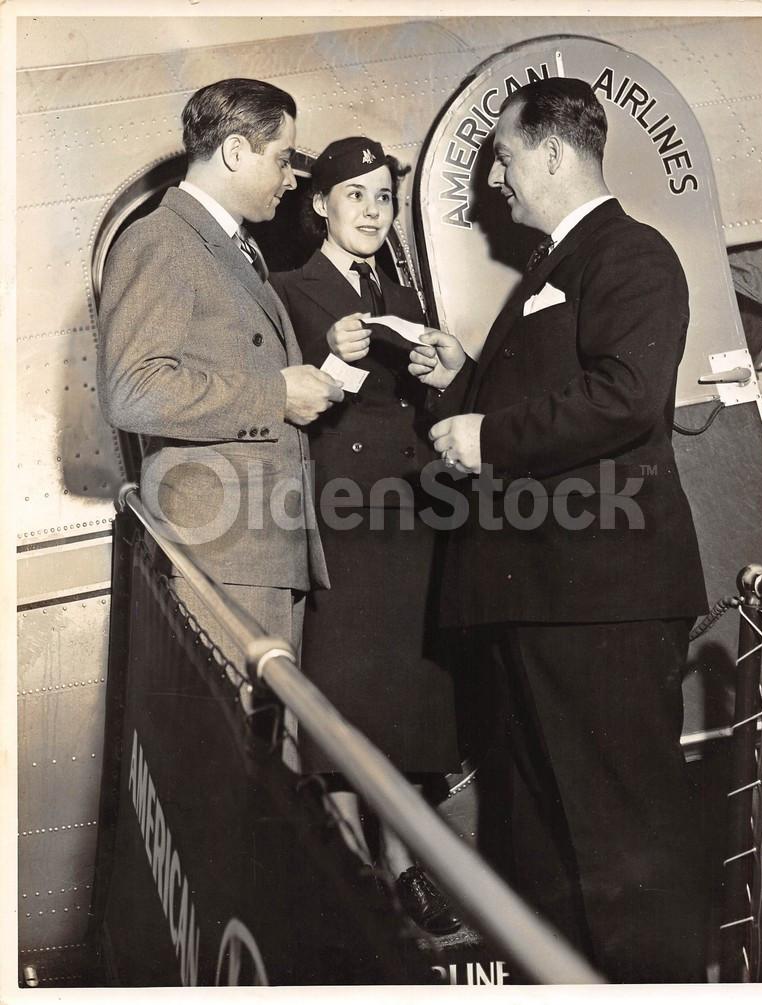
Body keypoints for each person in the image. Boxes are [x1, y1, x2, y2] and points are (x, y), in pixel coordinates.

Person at [409, 78, 709, 981]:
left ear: (550, 151)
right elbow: (549, 394)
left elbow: (626, 395)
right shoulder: (549, 268)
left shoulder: (631, 255)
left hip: (599, 607)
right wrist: (464, 377)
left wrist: (488, 432)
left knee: (624, 841)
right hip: (543, 604)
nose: (495, 181)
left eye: (502, 158)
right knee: (543, 840)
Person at [271, 137, 461, 935]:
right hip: (346, 518)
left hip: (412, 512)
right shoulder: (285, 290)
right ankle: (373, 870)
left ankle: (412, 863)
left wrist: (451, 369)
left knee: (409, 696)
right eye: (356, 196)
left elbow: (422, 409)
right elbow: (293, 406)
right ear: (320, 205)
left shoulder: (404, 293)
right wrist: (335, 361)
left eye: (383, 197)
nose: (373, 211)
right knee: (349, 695)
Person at [97, 78, 344, 677]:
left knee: (265, 758)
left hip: (255, 548)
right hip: (224, 555)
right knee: (238, 759)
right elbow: (133, 389)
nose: (292, 179)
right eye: (283, 159)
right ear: (235, 151)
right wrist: (277, 394)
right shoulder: (162, 240)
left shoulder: (229, 247)